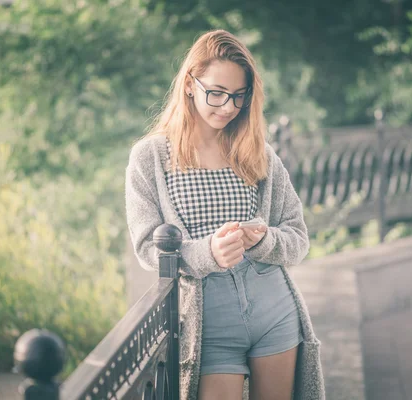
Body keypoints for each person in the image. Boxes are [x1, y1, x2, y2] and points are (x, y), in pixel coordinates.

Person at [125, 29, 325, 400]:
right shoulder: (150, 158)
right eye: (216, 93)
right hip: (208, 324)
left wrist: (264, 239)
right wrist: (208, 254)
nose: (228, 107)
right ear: (189, 84)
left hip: (275, 311)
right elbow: (146, 247)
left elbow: (298, 239)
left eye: (238, 96)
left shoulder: (257, 153)